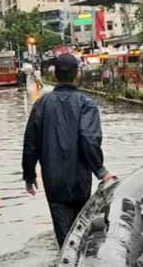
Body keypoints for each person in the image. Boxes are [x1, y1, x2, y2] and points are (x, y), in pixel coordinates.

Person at [22, 53, 114, 248]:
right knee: (83, 232)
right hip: (80, 179)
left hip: (53, 182)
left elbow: (30, 144)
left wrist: (29, 175)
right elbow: (89, 139)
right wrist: (100, 171)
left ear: (55, 74)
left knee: (65, 241)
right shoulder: (86, 104)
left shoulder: (41, 105)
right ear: (77, 74)